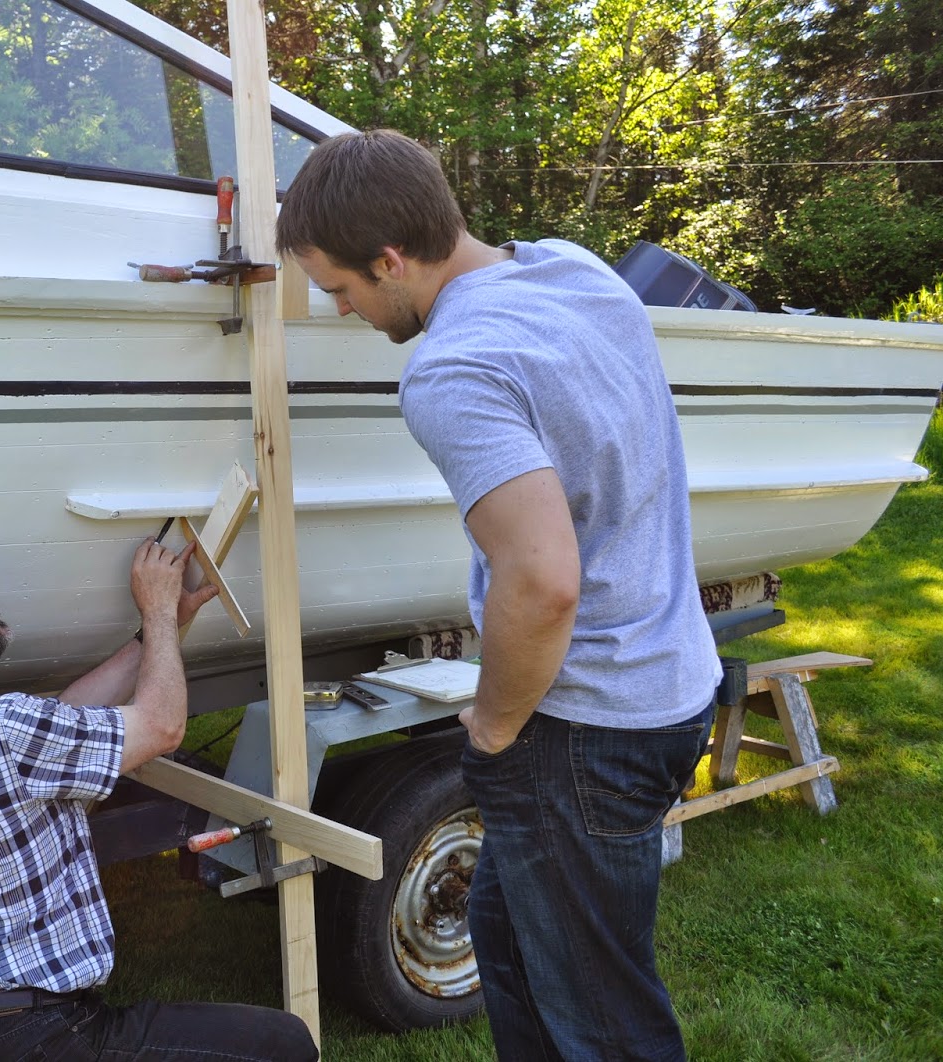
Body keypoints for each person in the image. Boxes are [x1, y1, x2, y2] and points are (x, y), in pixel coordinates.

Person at [277, 129, 720, 1061]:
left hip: (584, 727)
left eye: (342, 287)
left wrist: (490, 723)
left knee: (602, 1018)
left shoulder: (452, 370)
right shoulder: (576, 272)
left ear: (391, 260)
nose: (343, 307)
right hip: (667, 682)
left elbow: (544, 580)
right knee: (512, 951)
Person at [0, 539, 320, 1062]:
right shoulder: (2, 733)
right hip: (31, 1037)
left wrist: (151, 638)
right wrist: (160, 611)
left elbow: (65, 718)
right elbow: (162, 728)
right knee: (285, 1045)